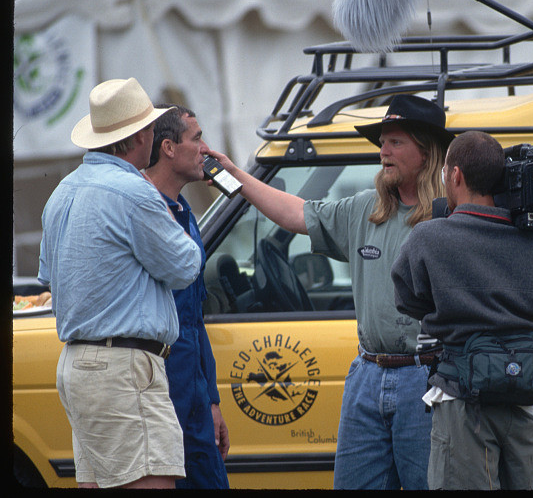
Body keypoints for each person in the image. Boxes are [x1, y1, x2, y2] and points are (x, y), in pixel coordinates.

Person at [208, 94, 453, 489]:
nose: (383, 153)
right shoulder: (364, 209)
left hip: (426, 379)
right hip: (367, 373)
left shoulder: (453, 217)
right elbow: (293, 213)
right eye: (381, 143)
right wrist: (235, 175)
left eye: (395, 142)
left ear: (426, 152)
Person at [38, 78, 202, 488]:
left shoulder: (63, 191)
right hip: (123, 369)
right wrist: (168, 207)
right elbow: (185, 267)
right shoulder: (134, 191)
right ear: (142, 136)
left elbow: (49, 276)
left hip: (77, 365)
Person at [390, 130, 533, 490]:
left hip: (461, 398)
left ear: (455, 176)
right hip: (525, 395)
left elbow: (406, 299)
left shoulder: (428, 238)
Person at [144, 104, 231, 489]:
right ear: (168, 147)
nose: (205, 149)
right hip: (158, 391)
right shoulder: (142, 208)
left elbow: (194, 316)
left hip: (192, 393)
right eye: (196, 139)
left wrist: (210, 399)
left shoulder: (184, 211)